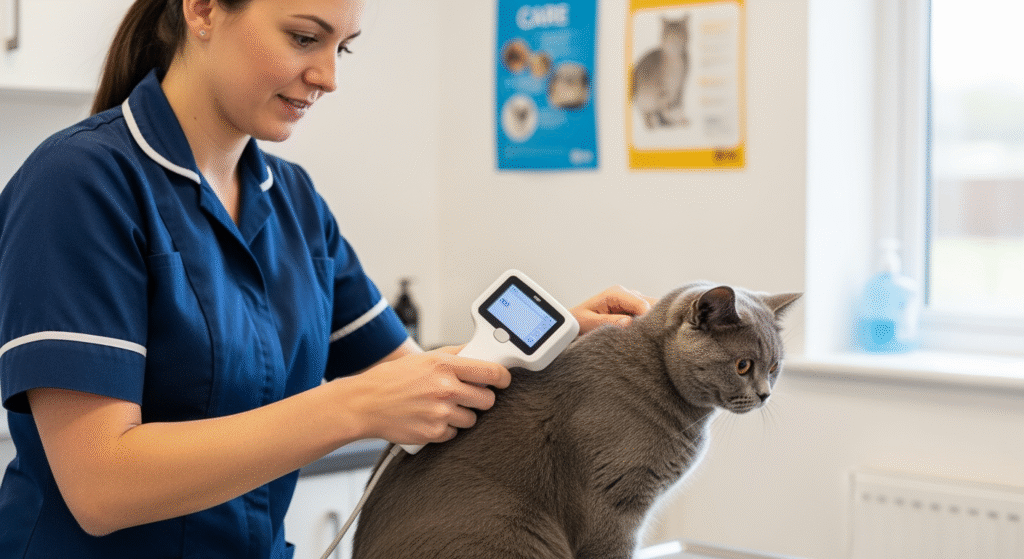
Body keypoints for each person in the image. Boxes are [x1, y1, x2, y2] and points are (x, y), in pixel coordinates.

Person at [0, 0, 655, 557]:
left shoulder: (293, 202)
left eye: (344, 47)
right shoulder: (78, 183)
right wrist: (353, 404)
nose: (328, 76)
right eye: (304, 37)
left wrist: (558, 349)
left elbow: (417, 388)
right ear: (201, 8)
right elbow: (101, 486)